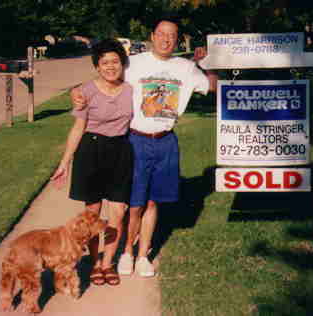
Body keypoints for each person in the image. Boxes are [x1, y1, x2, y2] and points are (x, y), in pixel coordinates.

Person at [72, 17, 218, 277]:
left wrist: (206, 63)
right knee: (135, 203)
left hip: (166, 141)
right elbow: (106, 76)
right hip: (136, 140)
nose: (166, 39)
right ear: (152, 36)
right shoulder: (133, 64)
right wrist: (78, 92)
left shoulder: (185, 67)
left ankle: (142, 256)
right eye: (161, 34)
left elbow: (212, 85)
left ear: (177, 39)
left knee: (153, 202)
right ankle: (127, 251)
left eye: (172, 35)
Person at [51, 39, 133, 286]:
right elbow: (78, 128)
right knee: (92, 215)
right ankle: (95, 263)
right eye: (104, 62)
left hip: (120, 151)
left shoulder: (131, 89)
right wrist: (64, 163)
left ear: (123, 63)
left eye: (115, 62)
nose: (110, 67)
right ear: (97, 66)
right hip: (91, 151)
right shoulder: (85, 91)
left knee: (118, 212)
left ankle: (108, 264)